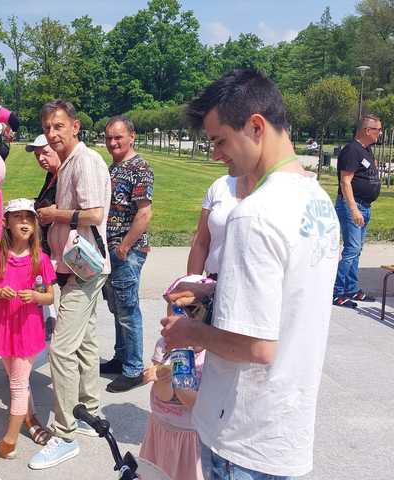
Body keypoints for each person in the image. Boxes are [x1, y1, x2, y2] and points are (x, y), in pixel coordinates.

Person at [162, 69, 340, 479]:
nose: (215, 154)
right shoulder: (316, 200)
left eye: (219, 140)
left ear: (255, 126)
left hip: (244, 434)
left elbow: (257, 346)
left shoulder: (254, 215)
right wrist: (214, 294)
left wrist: (189, 333)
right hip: (287, 424)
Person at [30, 100, 111, 470]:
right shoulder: (68, 165)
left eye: (58, 126)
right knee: (86, 341)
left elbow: (94, 214)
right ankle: (89, 412)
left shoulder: (86, 161)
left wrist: (52, 215)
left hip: (85, 269)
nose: (52, 133)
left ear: (75, 126)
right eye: (47, 127)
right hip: (75, 267)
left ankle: (64, 434)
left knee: (61, 349)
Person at [0, 198, 57, 459]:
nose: (24, 222)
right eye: (18, 217)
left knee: (17, 383)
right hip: (2, 325)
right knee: (18, 380)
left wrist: (35, 297)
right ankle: (31, 420)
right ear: (8, 223)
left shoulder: (40, 258)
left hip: (26, 328)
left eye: (29, 218)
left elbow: (49, 296)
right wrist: (0, 292)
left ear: (35, 224)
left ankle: (8, 443)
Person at [100, 115, 153, 393]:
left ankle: (133, 369)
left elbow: (144, 212)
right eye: (109, 137)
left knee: (128, 310)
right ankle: (121, 358)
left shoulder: (139, 167)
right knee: (117, 307)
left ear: (131, 136)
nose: (112, 142)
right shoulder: (115, 167)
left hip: (126, 251)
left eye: (118, 137)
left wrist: (124, 245)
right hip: (111, 250)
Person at [140, 310, 205, 480]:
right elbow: (163, 395)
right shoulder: (165, 344)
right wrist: (161, 378)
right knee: (157, 473)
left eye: (192, 311)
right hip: (161, 428)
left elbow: (195, 404)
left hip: (190, 437)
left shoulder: (210, 358)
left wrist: (176, 380)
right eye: (174, 309)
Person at [332, 114, 382, 308]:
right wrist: (353, 209)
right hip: (353, 205)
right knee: (351, 250)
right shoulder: (352, 150)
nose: (380, 133)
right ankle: (336, 292)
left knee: (357, 250)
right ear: (367, 130)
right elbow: (345, 182)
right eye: (377, 130)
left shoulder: (366, 150)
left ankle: (351, 288)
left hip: (364, 206)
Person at [186, 174, 254, 278]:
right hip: (214, 283)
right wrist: (192, 282)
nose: (215, 157)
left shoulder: (281, 190)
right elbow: (201, 242)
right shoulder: (220, 185)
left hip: (257, 287)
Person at [26, 134, 61, 256]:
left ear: (57, 150)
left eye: (45, 153)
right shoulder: (51, 174)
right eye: (37, 155)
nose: (40, 158)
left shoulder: (64, 174)